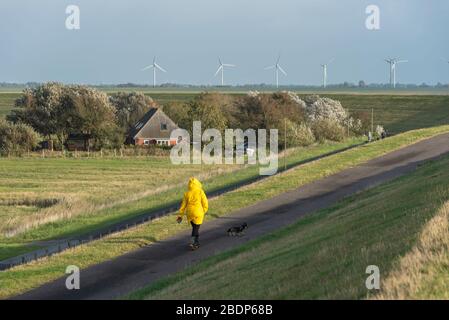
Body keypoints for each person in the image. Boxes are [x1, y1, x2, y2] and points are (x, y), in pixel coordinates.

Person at [177, 177, 209, 250]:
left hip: (189, 213)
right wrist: (204, 211)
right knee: (196, 228)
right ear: (197, 183)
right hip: (198, 212)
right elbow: (205, 202)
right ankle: (193, 242)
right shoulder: (200, 191)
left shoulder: (187, 193)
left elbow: (183, 206)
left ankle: (196, 243)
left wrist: (180, 215)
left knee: (195, 228)